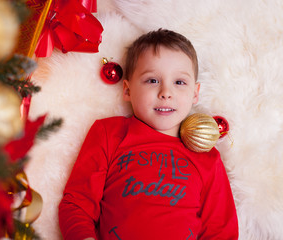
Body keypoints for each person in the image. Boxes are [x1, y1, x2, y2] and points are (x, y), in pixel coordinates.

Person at [59, 29, 238, 240]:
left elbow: (221, 230)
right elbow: (78, 203)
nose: (166, 92)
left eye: (179, 82)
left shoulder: (207, 157)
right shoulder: (109, 134)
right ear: (127, 90)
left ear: (195, 93)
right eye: (152, 80)